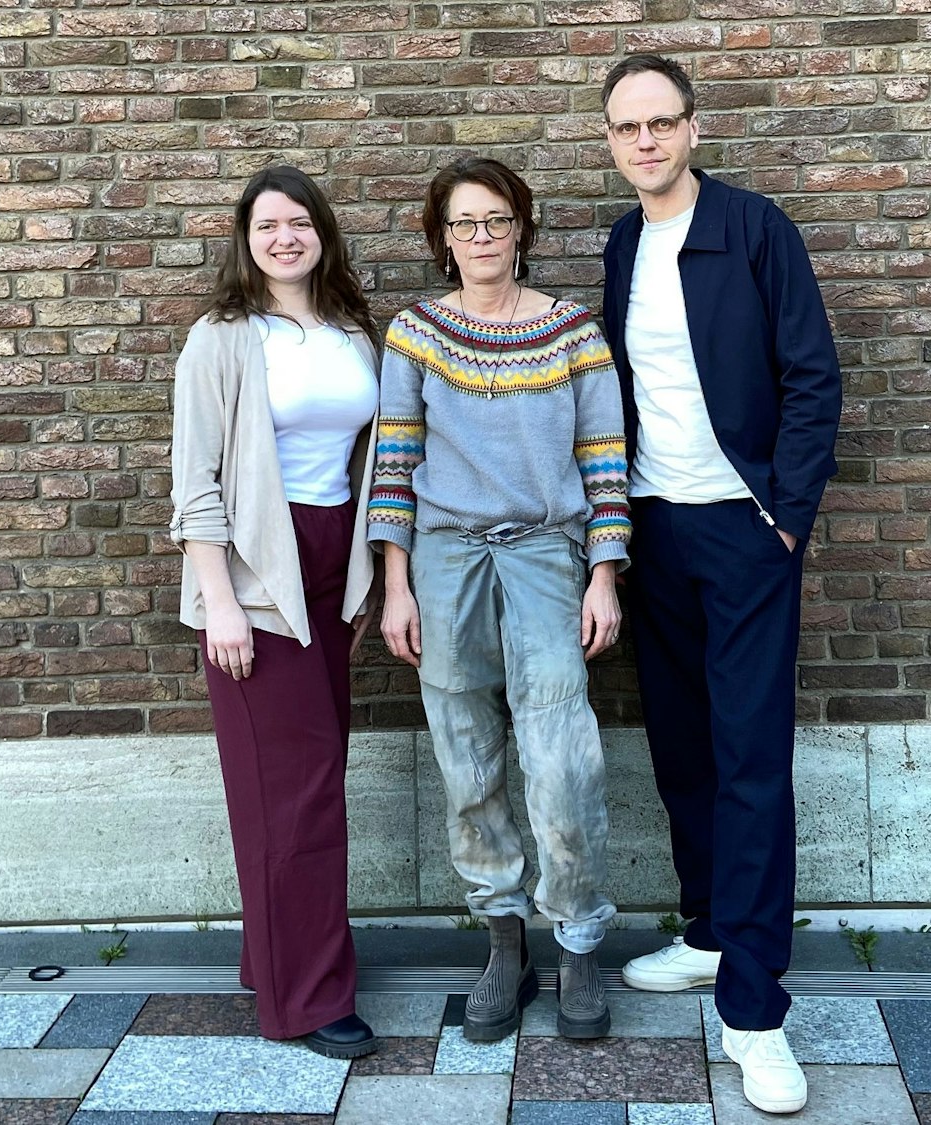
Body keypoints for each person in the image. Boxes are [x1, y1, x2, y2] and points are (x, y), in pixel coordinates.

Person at [597, 54, 842, 1115]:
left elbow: (811, 375)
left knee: (749, 760)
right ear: (609, 143)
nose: (644, 141)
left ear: (692, 129)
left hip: (744, 535)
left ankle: (753, 1012)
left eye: (661, 122)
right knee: (683, 750)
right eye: (625, 128)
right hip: (652, 533)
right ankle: (706, 933)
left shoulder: (753, 230)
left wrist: (784, 516)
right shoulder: (619, 243)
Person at [368, 157, 629, 1041]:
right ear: (442, 238)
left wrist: (604, 571)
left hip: (546, 558)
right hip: (443, 562)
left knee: (564, 759)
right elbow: (394, 462)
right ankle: (504, 937)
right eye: (463, 223)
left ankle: (580, 940)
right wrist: (394, 582)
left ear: (524, 225)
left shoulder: (572, 332)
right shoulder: (414, 332)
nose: (481, 237)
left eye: (496, 220)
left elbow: (603, 459)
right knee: (467, 759)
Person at [168, 165, 383, 1059]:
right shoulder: (220, 339)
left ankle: (274, 956)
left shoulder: (350, 334)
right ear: (245, 240)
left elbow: (370, 457)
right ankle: (308, 999)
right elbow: (196, 485)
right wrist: (221, 604)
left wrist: (371, 575)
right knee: (295, 795)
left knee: (305, 776)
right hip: (258, 581)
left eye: (300, 222)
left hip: (333, 572)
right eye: (268, 225)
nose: (286, 236)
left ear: (323, 234)